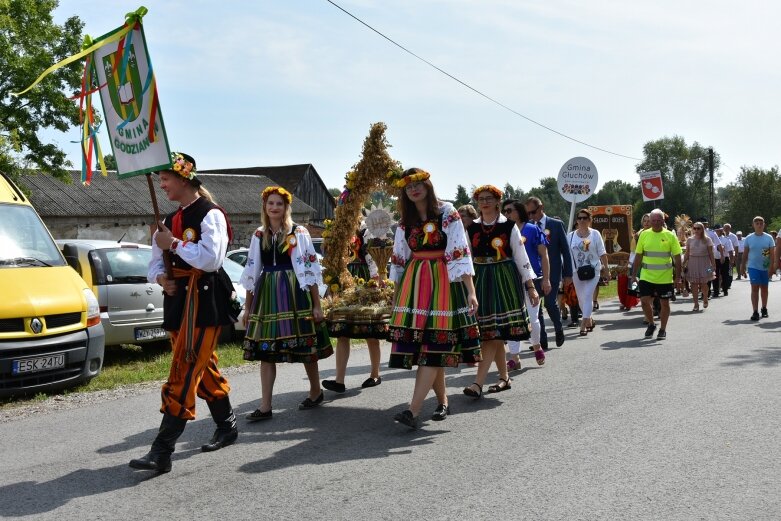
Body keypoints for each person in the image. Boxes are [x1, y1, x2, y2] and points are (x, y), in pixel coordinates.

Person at [130, 152, 238, 473]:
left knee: (186, 367)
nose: (161, 184)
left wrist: (173, 244)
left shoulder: (210, 215)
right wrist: (162, 277)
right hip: (179, 302)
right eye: (160, 179)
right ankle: (228, 424)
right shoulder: (169, 220)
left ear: (183, 178)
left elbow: (211, 260)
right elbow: (152, 264)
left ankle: (162, 451)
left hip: (205, 300)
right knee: (201, 368)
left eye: (165, 178)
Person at [388, 168, 479, 429]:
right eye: (408, 187)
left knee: (434, 344)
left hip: (442, 281)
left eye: (418, 184)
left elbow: (460, 251)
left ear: (428, 185)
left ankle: (413, 410)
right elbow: (399, 259)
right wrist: (396, 297)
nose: (414, 190)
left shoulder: (448, 212)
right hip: (414, 283)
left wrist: (470, 291)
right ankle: (443, 401)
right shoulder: (405, 221)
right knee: (429, 347)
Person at [240, 186, 333, 420]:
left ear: (286, 207)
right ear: (265, 206)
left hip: (295, 291)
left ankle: (315, 390)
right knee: (265, 350)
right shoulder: (259, 235)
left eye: (279, 204)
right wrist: (248, 307)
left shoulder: (298, 232)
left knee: (305, 346)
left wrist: (317, 304)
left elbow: (309, 269)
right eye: (270, 203)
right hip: (268, 293)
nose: (274, 207)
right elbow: (252, 271)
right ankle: (265, 406)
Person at [463, 188, 538, 396]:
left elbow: (522, 258)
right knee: (490, 332)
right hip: (481, 281)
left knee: (493, 334)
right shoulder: (471, 228)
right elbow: (466, 259)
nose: (484, 202)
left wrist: (530, 287)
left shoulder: (509, 226)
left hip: (504, 281)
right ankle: (504, 377)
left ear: (498, 201)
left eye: (489, 198)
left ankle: (477, 383)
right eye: (481, 199)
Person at [323, 227, 384, 393]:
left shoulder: (367, 231)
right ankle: (339, 380)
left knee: (370, 331)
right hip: (345, 279)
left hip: (364, 278)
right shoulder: (339, 230)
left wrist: (376, 279)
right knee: (343, 331)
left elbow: (374, 256)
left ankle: (375, 374)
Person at [501, 199, 548, 369]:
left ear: (519, 211)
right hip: (509, 280)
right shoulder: (502, 231)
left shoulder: (532, 228)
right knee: (512, 320)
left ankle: (536, 346)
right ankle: (515, 357)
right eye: (504, 211)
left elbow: (544, 255)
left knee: (533, 317)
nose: (506, 214)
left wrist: (547, 278)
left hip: (531, 279)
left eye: (509, 210)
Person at [524, 196, 572, 347]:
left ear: (541, 207)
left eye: (533, 212)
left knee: (550, 304)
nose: (531, 216)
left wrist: (568, 274)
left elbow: (565, 250)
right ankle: (542, 339)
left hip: (553, 271)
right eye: (528, 213)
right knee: (536, 307)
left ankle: (558, 329)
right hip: (535, 272)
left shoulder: (556, 224)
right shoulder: (529, 226)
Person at [630, 209, 682, 340]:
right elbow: (638, 255)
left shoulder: (670, 235)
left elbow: (677, 258)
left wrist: (678, 277)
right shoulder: (644, 234)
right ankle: (652, 324)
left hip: (664, 277)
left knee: (665, 304)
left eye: (659, 220)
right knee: (644, 301)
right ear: (650, 221)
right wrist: (633, 274)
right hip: (647, 276)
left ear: (663, 221)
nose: (656, 223)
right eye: (654, 221)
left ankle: (663, 329)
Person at [567, 209, 610, 336]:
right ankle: (589, 319)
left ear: (589, 220)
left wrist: (606, 269)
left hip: (593, 269)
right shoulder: (571, 236)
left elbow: (602, 252)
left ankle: (583, 325)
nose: (581, 220)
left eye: (584, 218)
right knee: (581, 298)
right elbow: (567, 255)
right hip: (577, 271)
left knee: (587, 295)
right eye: (579, 218)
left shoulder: (595, 234)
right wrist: (567, 272)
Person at [741, 216, 776, 320]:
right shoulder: (749, 238)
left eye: (761, 223)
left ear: (764, 225)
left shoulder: (768, 238)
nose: (759, 225)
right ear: (753, 225)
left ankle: (764, 308)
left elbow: (771, 255)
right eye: (757, 223)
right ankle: (755, 311)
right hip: (753, 267)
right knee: (755, 288)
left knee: (764, 288)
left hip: (765, 267)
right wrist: (743, 266)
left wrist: (771, 268)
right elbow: (745, 253)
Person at [683, 222, 716, 311]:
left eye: (698, 228)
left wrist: (713, 265)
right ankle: (696, 304)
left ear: (702, 229)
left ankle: (705, 297)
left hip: (705, 263)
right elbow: (687, 253)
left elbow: (711, 253)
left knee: (704, 283)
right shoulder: (689, 240)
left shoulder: (707, 239)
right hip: (692, 263)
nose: (696, 230)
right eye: (695, 228)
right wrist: (683, 263)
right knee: (693, 283)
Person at [715, 224, 735, 295]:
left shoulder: (726, 239)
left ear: (721, 231)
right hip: (715, 259)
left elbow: (730, 251)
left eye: (719, 230)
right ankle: (716, 291)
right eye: (716, 231)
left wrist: (732, 261)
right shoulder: (711, 239)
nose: (717, 232)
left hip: (725, 259)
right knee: (715, 275)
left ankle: (725, 289)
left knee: (725, 275)